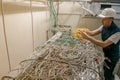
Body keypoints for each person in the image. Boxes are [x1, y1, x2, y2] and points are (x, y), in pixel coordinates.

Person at [80, 8, 120, 80]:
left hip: (113, 56)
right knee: (105, 70)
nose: (102, 20)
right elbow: (92, 33)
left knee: (107, 73)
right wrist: (84, 31)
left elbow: (104, 44)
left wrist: (87, 37)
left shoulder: (117, 32)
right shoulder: (103, 26)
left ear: (111, 19)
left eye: (104, 18)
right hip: (107, 53)